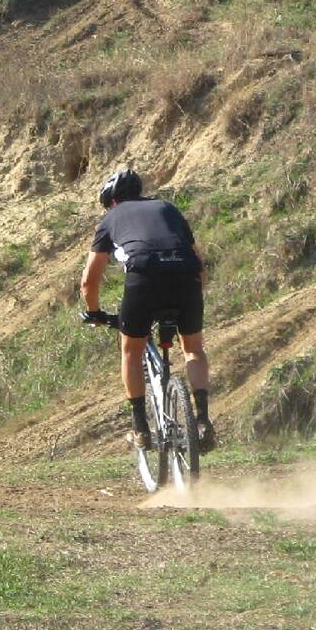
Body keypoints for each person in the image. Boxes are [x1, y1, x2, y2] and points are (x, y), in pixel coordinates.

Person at [79, 167, 214, 454]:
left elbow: (89, 281)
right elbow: (199, 263)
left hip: (144, 279)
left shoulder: (110, 218)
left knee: (131, 350)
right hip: (186, 278)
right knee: (193, 349)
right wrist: (192, 295)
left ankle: (140, 428)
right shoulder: (168, 208)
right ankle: (202, 420)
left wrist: (94, 312)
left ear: (112, 201)